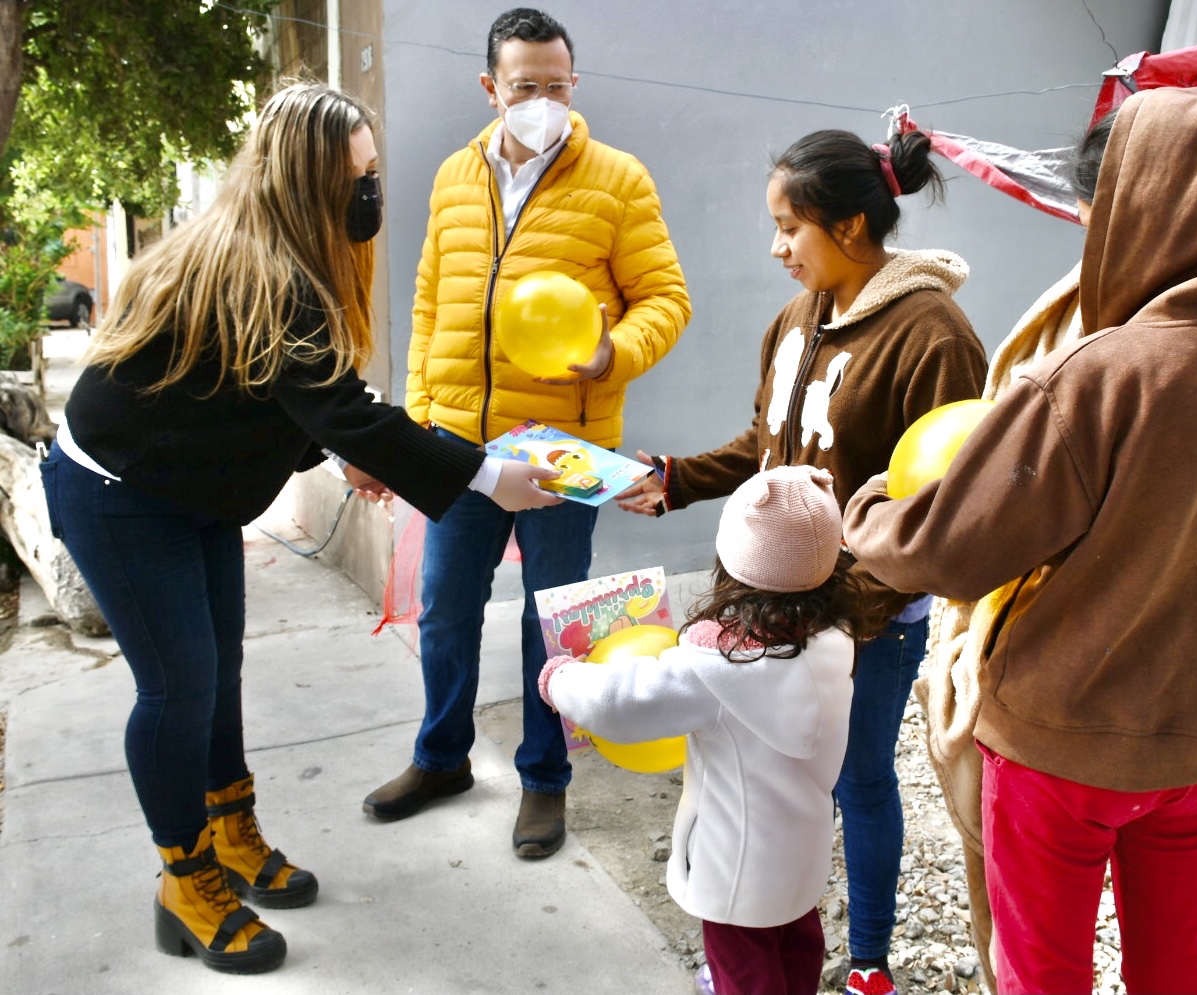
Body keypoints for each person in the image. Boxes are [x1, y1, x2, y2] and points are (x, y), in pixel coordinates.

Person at [843, 79, 1197, 994]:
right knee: (1174, 962)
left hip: (1063, 744)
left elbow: (950, 550)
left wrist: (872, 508)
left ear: (1155, 205)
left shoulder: (1104, 371)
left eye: (1100, 214)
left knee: (1044, 971)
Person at [40, 82, 562, 975]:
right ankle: (184, 881)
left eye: (373, 172)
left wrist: (339, 455)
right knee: (178, 686)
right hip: (119, 492)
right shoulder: (263, 267)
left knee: (218, 673)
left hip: (191, 488)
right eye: (358, 177)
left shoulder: (290, 258)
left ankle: (229, 830)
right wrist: (487, 475)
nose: (372, 192)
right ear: (308, 180)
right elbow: (342, 408)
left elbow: (268, 397)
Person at [615, 123, 985, 995]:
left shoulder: (935, 337)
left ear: (849, 227)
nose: (777, 247)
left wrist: (844, 611)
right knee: (772, 785)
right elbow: (767, 444)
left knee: (858, 780)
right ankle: (774, 950)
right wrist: (674, 478)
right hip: (775, 605)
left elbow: (942, 506)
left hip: (869, 620)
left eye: (789, 227)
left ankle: (869, 960)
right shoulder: (796, 318)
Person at [363, 7, 690, 859]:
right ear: (490, 88)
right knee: (445, 609)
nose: (542, 101)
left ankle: (545, 779)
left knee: (554, 620)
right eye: (524, 86)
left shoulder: (618, 179)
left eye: (556, 85)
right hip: (458, 447)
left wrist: (613, 352)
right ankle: (441, 757)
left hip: (559, 448)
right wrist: (418, 416)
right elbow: (431, 301)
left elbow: (667, 299)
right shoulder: (453, 176)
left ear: (573, 83)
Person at [542, 465, 859, 995]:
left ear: (732, 561)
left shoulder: (714, 670)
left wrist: (561, 678)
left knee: (744, 967)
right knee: (796, 942)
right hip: (800, 847)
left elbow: (618, 703)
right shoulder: (835, 638)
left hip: (734, 864)